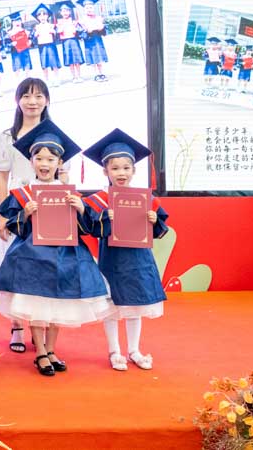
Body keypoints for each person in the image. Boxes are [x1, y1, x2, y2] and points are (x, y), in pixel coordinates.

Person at [0, 119, 111, 376]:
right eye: (39, 158)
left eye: (50, 159)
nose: (44, 164)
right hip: (32, 256)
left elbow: (86, 227)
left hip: (64, 256)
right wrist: (25, 213)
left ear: (60, 163)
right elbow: (13, 225)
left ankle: (51, 349)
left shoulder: (69, 193)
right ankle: (40, 353)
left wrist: (81, 209)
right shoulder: (24, 193)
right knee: (35, 302)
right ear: (31, 161)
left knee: (59, 303)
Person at [82, 129, 169, 372]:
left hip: (138, 259)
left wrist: (153, 220)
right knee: (112, 307)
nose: (121, 173)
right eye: (115, 168)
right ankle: (114, 351)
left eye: (126, 168)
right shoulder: (100, 200)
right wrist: (105, 218)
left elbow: (160, 227)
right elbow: (90, 227)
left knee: (135, 305)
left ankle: (134, 350)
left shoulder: (145, 198)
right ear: (105, 171)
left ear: (134, 170)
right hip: (112, 259)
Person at [0, 77, 51, 354]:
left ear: (47, 101)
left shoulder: (53, 134)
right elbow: (1, 178)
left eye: (38, 96)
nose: (32, 102)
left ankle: (42, 327)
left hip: (47, 205)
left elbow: (63, 175)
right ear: (17, 101)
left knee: (43, 268)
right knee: (16, 267)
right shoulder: (8, 136)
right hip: (17, 205)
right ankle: (16, 326)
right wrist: (2, 215)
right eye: (26, 96)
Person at [76, 0, 108, 82]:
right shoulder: (82, 20)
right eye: (87, 8)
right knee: (93, 58)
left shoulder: (98, 18)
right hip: (89, 41)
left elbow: (104, 31)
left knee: (100, 58)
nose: (89, 9)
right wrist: (86, 31)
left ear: (94, 8)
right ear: (84, 9)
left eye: (91, 7)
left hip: (98, 40)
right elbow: (80, 34)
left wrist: (102, 28)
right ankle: (96, 74)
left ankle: (101, 73)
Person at [32, 4, 62, 84]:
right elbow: (33, 41)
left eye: (44, 14)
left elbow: (58, 38)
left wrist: (54, 33)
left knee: (54, 62)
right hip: (42, 47)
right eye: (40, 15)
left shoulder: (52, 26)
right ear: (37, 17)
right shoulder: (36, 27)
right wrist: (35, 35)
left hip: (51, 46)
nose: (42, 17)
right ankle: (46, 80)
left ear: (47, 16)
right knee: (44, 64)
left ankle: (57, 79)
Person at [57, 1, 85, 84]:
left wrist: (76, 27)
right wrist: (60, 27)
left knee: (77, 59)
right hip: (65, 42)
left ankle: (79, 76)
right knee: (70, 61)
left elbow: (80, 31)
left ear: (70, 11)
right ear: (60, 12)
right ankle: (74, 77)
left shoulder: (74, 21)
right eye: (63, 11)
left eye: (67, 10)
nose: (65, 13)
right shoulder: (59, 22)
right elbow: (58, 32)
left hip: (74, 41)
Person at [6, 12, 34, 77]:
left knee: (27, 66)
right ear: (12, 22)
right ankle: (18, 80)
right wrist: (11, 44)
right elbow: (6, 45)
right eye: (15, 21)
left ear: (21, 21)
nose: (17, 22)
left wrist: (30, 41)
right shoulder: (9, 33)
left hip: (25, 51)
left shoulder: (26, 31)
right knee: (17, 67)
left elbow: (31, 41)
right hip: (15, 53)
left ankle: (27, 79)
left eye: (18, 20)